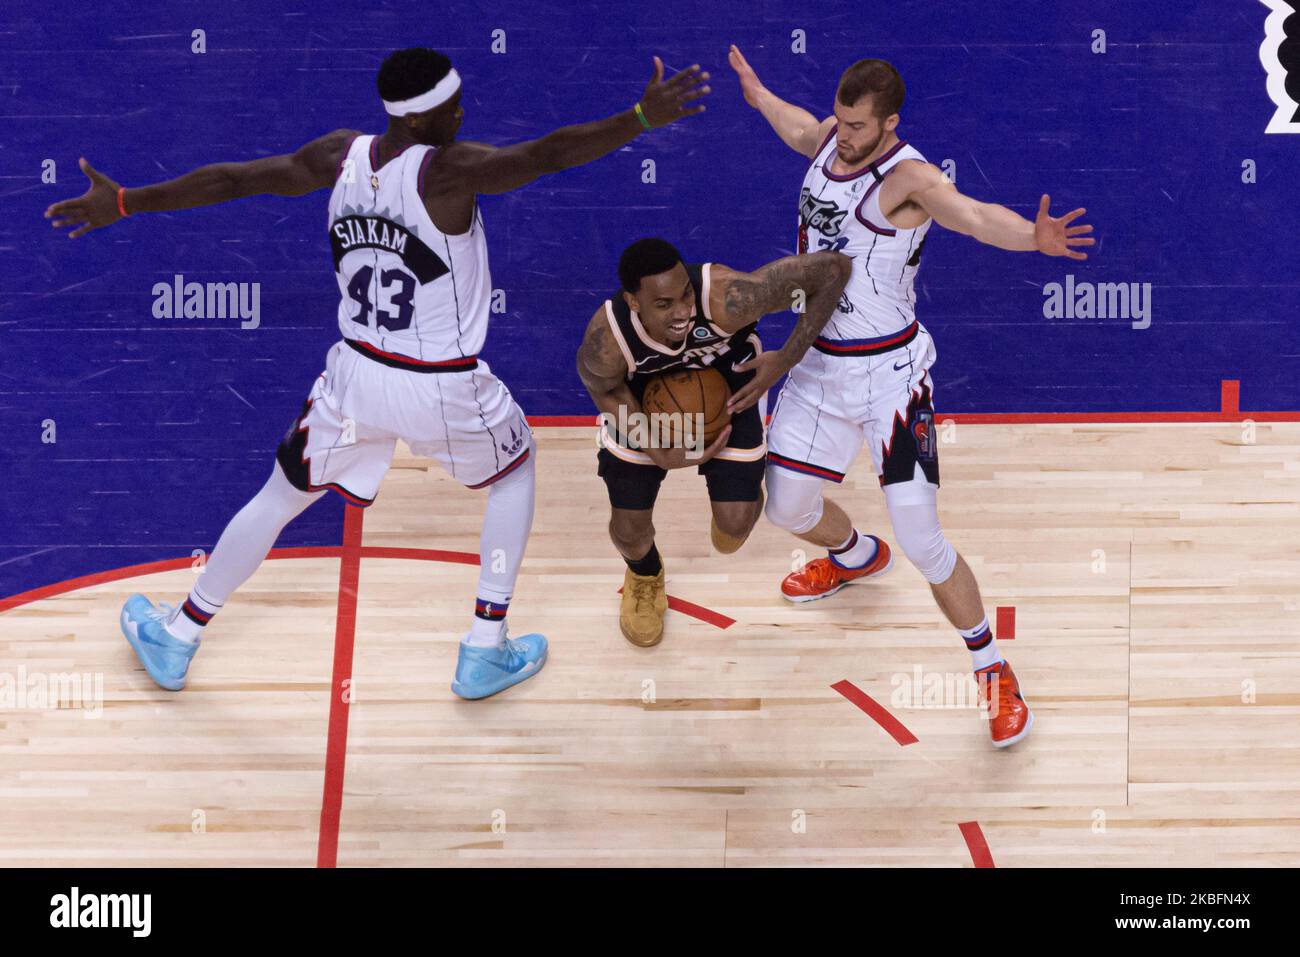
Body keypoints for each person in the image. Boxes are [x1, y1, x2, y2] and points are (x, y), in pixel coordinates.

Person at [45, 47, 711, 699]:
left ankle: (180, 631)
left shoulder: (340, 155)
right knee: (515, 472)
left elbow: (235, 180)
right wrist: (639, 119)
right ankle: (484, 646)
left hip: (355, 378)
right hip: (441, 384)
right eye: (453, 107)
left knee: (278, 497)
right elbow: (545, 154)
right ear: (421, 118)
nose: (462, 114)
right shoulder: (446, 172)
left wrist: (128, 200)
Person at [728, 46, 1094, 746]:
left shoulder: (909, 178)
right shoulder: (827, 140)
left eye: (859, 126)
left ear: (889, 123)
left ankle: (993, 668)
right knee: (787, 507)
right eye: (840, 120)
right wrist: (759, 93)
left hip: (890, 379)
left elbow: (974, 214)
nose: (844, 135)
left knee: (924, 539)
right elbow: (798, 126)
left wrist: (1032, 238)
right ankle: (856, 555)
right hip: (813, 365)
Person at [577, 239, 850, 646]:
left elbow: (833, 271)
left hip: (727, 387)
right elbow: (605, 387)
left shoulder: (728, 296)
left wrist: (786, 358)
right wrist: (657, 450)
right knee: (628, 530)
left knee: (734, 528)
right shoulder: (609, 337)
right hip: (641, 402)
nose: (683, 311)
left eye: (685, 294)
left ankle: (736, 491)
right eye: (664, 304)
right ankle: (645, 574)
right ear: (635, 303)